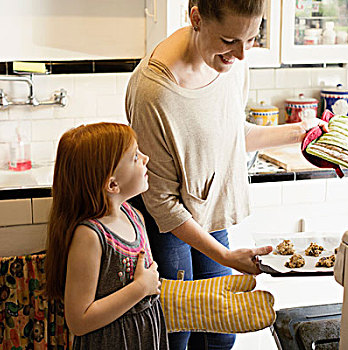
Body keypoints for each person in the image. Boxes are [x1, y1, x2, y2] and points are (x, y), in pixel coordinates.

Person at [126, 0, 328, 349]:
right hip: (168, 224)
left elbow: (232, 136)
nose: (241, 54)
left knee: (221, 333)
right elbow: (161, 203)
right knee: (178, 332)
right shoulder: (153, 92)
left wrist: (299, 132)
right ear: (196, 18)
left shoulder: (230, 63)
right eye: (230, 40)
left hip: (210, 211)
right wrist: (225, 255)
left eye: (251, 39)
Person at [45, 123, 168, 349]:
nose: (146, 158)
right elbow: (78, 320)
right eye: (134, 157)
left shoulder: (135, 216)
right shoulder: (89, 236)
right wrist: (141, 288)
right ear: (112, 184)